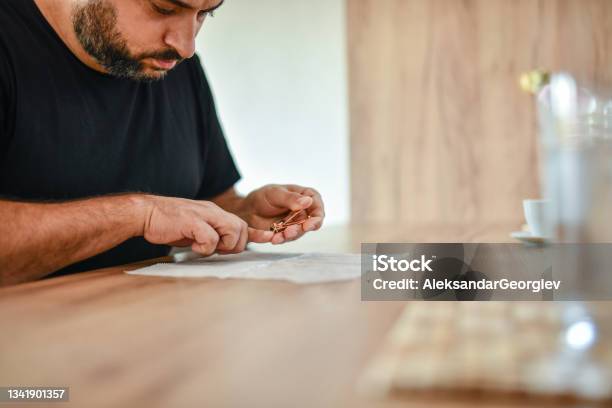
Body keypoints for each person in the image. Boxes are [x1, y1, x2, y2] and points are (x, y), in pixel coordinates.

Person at [0, 0, 325, 286]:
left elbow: (208, 201)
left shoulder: (173, 66)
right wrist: (138, 215)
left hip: (154, 331)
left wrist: (242, 215)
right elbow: (155, 215)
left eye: (204, 14)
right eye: (164, 8)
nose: (186, 46)